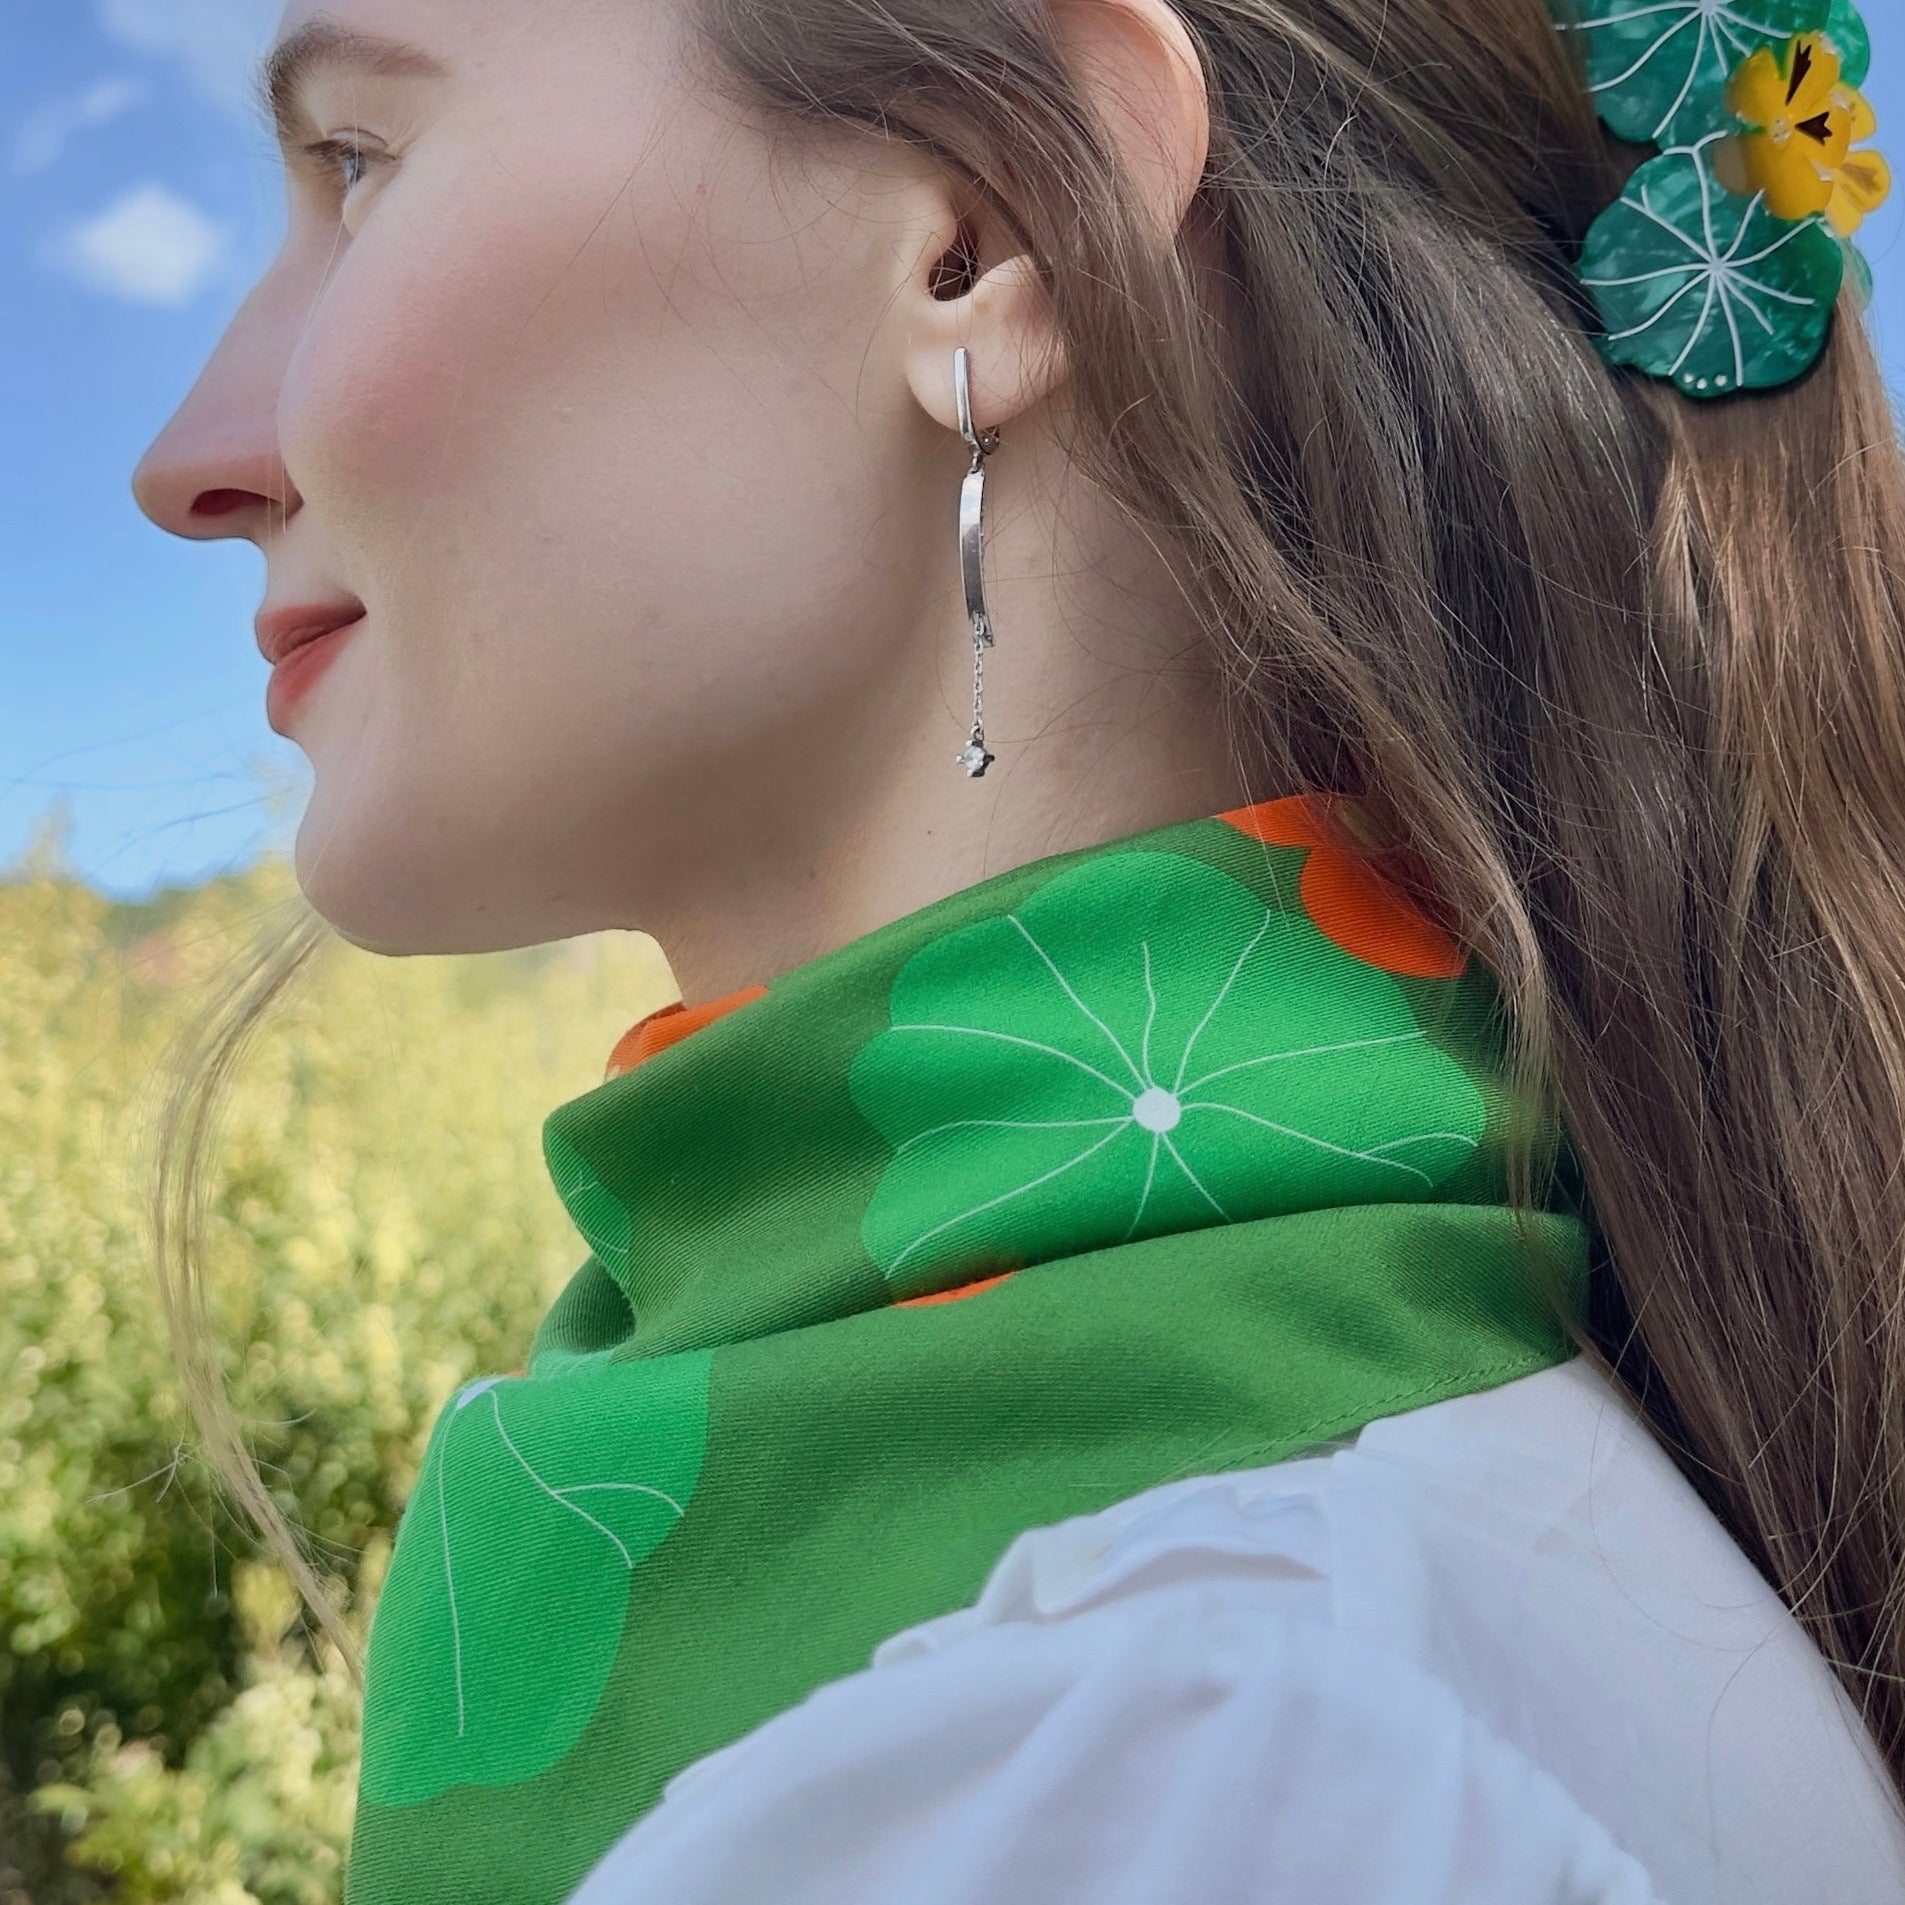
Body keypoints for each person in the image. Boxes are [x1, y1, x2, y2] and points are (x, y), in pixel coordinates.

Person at [128, 0, 1905, 1897]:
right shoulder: (1343, 1606)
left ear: (986, 232)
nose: (190, 460)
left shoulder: (1165, 1768)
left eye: (356, 166)